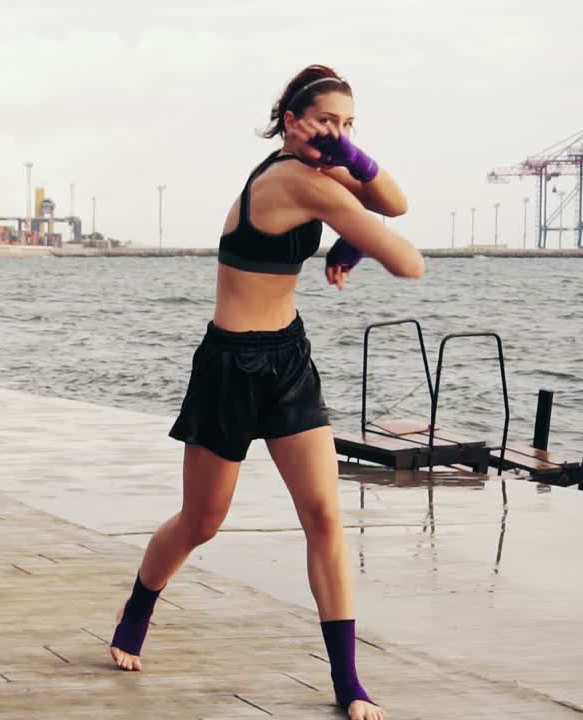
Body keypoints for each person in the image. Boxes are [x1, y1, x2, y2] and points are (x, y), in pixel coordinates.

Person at [108, 65, 424, 720]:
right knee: (202, 522)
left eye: (349, 125)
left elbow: (394, 204)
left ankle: (348, 683)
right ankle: (137, 609)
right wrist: (356, 237)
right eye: (327, 122)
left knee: (325, 517)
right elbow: (408, 259)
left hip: (288, 361)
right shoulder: (291, 181)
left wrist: (355, 176)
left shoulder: (323, 174)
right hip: (230, 368)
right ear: (291, 122)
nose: (338, 135)